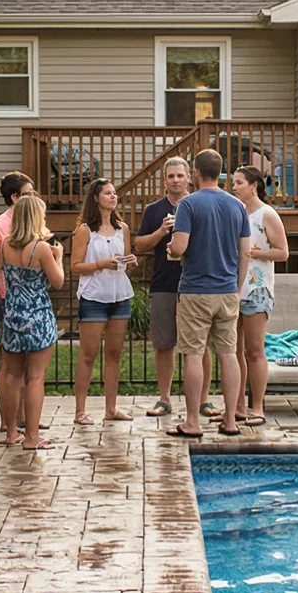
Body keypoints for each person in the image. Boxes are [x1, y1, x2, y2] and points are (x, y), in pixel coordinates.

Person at [167, 149, 251, 440]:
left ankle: (192, 422)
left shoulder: (188, 205)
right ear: (220, 172)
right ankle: (230, 419)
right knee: (228, 354)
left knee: (193, 354)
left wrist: (171, 248)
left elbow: (179, 247)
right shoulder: (238, 206)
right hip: (228, 290)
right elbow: (245, 253)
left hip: (195, 291)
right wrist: (237, 288)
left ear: (196, 173)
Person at [0, 194, 63, 450]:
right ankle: (32, 438)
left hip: (13, 317)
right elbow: (57, 282)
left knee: (13, 376)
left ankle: (11, 432)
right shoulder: (41, 248)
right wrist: (58, 256)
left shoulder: (4, 245)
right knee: (35, 378)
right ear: (36, 218)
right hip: (38, 317)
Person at [70, 178, 136, 425]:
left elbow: (125, 261)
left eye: (114, 193)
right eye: (107, 193)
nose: (113, 197)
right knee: (88, 354)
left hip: (119, 295)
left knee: (114, 353)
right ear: (96, 198)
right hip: (94, 297)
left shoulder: (123, 228)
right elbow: (75, 266)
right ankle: (80, 410)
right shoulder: (86, 230)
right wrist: (100, 264)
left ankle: (111, 407)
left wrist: (130, 261)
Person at [227, 166, 288, 428]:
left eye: (238, 183)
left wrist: (256, 253)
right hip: (232, 288)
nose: (234, 187)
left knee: (254, 350)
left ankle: (257, 408)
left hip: (258, 288)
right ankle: (237, 407)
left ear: (254, 185)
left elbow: (283, 252)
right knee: (234, 351)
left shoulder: (267, 214)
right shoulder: (234, 213)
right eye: (233, 183)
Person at [134, 157, 191, 417]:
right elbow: (138, 246)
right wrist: (160, 232)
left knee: (197, 346)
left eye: (180, 175)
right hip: (163, 284)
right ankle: (165, 398)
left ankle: (202, 401)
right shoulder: (154, 210)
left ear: (189, 177)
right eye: (171, 176)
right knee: (163, 344)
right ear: (164, 180)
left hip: (195, 284)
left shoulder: (197, 205)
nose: (175, 180)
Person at [0, 172, 34, 444]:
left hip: (28, 298)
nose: (33, 199)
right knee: (10, 362)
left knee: (28, 363)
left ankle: (26, 417)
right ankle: (9, 420)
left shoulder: (30, 222)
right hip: (7, 298)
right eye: (28, 194)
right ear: (14, 197)